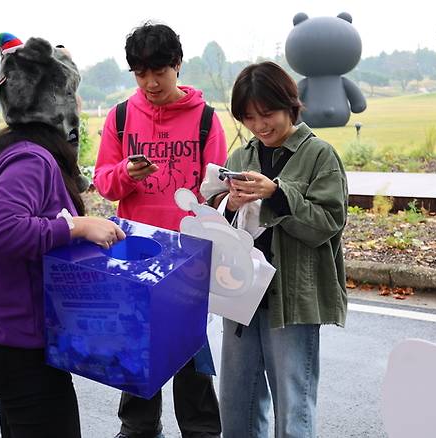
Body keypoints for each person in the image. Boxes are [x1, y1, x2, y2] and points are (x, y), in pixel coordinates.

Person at [0, 35, 125, 438]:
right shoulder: (32, 159)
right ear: (57, 102)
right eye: (73, 94)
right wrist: (76, 225)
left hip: (4, 341)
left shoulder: (16, 149)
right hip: (19, 347)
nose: (80, 106)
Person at [93, 22, 227, 438]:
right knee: (136, 347)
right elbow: (104, 181)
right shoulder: (119, 116)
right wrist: (127, 174)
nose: (150, 82)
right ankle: (138, 429)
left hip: (188, 256)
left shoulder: (206, 120)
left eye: (160, 71)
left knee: (190, 351)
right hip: (135, 253)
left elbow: (218, 192)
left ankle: (201, 431)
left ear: (178, 65)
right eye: (140, 73)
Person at [212, 61, 348, 438]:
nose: (260, 125)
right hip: (242, 296)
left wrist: (277, 194)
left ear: (290, 104)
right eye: (249, 117)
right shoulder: (241, 158)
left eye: (267, 113)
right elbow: (222, 227)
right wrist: (229, 206)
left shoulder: (320, 155)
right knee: (237, 404)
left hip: (293, 298)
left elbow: (328, 225)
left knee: (293, 407)